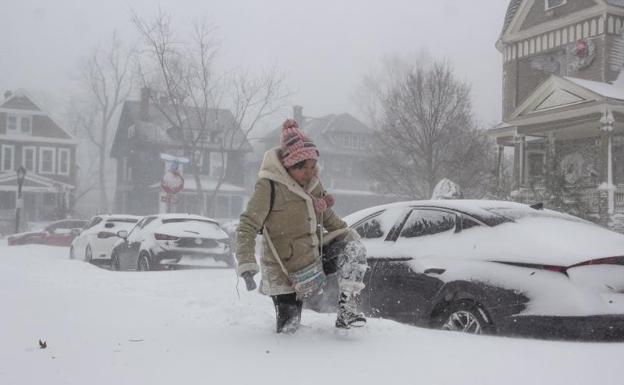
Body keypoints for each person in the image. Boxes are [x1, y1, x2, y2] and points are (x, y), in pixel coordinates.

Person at [236, 119, 368, 333]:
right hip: (284, 270)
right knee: (289, 329)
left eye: (312, 166)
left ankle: (348, 310)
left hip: (314, 259)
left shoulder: (313, 185)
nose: (309, 172)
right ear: (289, 166)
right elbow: (247, 225)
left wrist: (351, 235)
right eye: (303, 167)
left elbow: (329, 218)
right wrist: (246, 263)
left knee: (353, 249)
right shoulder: (269, 186)